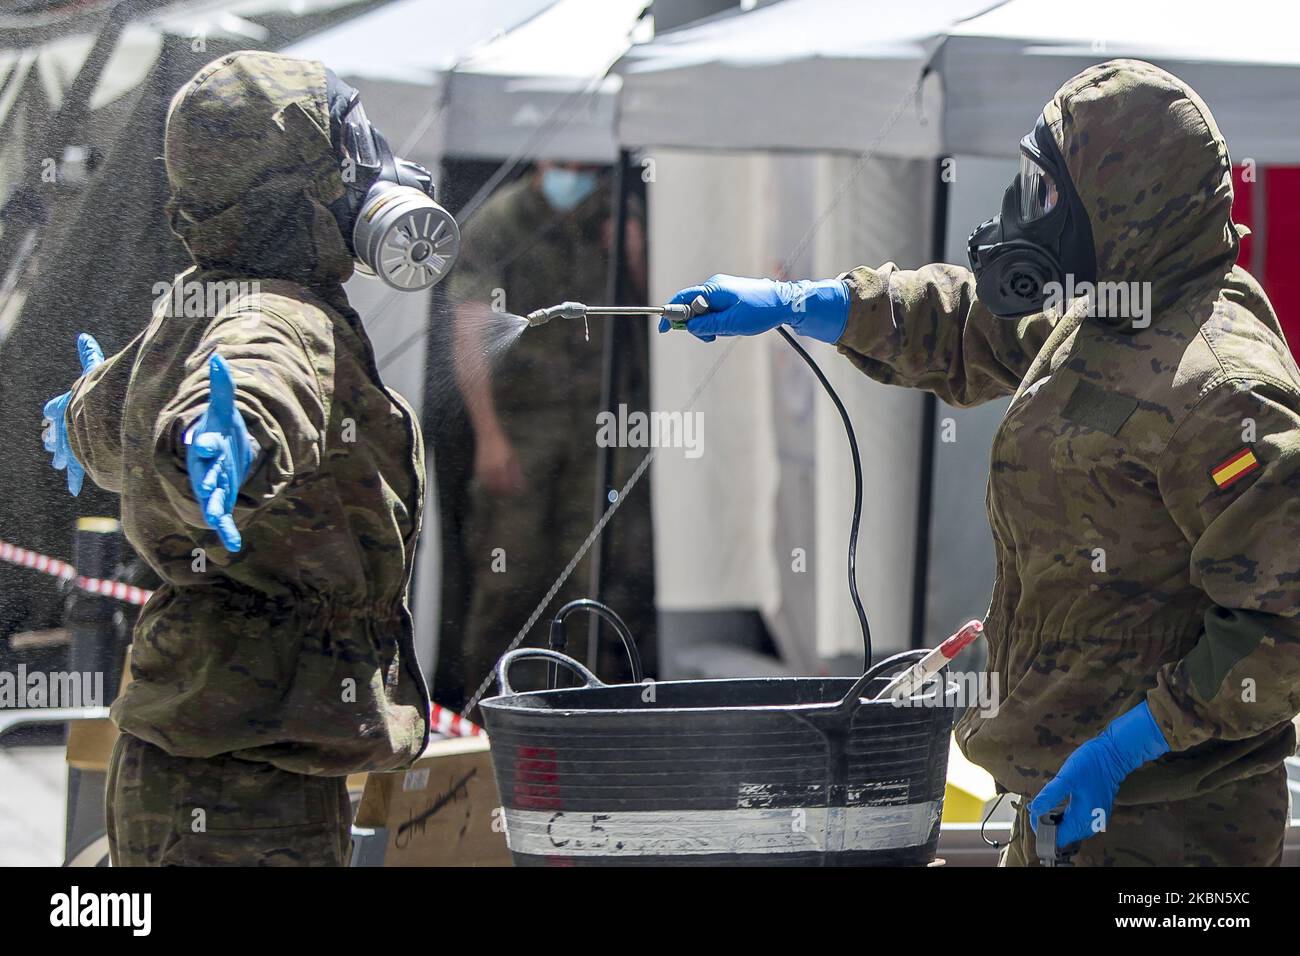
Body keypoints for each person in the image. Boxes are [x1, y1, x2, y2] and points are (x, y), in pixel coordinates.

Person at [667, 59, 1300, 866]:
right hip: (1067, 805)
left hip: (1168, 827)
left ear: (1123, 203)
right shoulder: (1116, 309)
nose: (1028, 218)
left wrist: (1132, 746)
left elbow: (1284, 628)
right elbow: (972, 327)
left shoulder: (1223, 389)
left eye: (1051, 196)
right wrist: (809, 304)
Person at [40, 51, 450, 865]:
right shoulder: (279, 317)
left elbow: (119, 429)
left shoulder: (201, 296)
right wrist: (228, 446)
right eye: (348, 137)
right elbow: (256, 392)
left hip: (204, 737)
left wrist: (89, 417)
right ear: (305, 180)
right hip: (251, 772)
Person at [441, 161, 648, 711]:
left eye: (586, 166)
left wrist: (636, 255)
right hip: (523, 426)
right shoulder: (500, 221)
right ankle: (489, 713)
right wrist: (489, 436)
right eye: (565, 164)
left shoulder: (616, 212)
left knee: (597, 573)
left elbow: (658, 316)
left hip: (602, 427)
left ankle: (577, 710)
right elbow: (472, 330)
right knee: (509, 574)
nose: (576, 176)